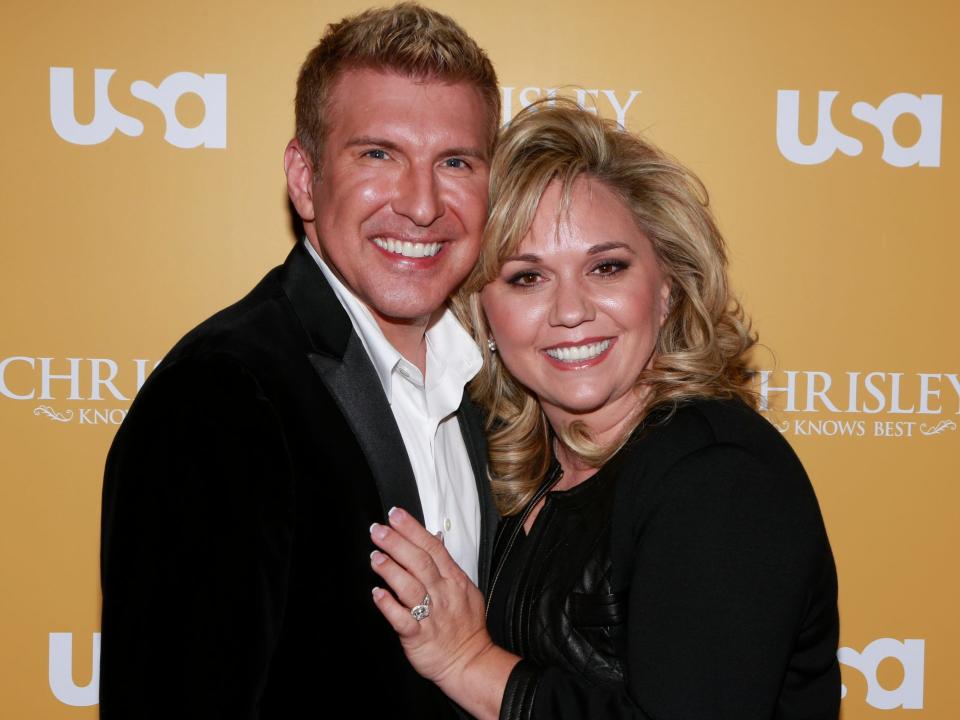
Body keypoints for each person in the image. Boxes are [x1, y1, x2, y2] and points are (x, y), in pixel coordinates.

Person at [369, 100, 841, 720]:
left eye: (606, 267)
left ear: (667, 287)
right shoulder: (520, 472)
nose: (571, 310)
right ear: (481, 311)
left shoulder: (718, 477)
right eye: (526, 278)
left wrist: (466, 661)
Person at [99, 4, 501, 717]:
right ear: (304, 177)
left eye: (455, 162)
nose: (420, 204)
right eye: (378, 154)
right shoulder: (222, 395)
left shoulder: (492, 387)